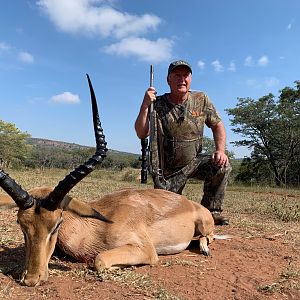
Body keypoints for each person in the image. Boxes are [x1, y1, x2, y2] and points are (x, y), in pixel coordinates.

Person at [135, 60, 231, 225]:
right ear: (168, 80)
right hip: (168, 173)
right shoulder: (156, 104)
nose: (182, 79)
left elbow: (218, 125)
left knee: (222, 165)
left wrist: (220, 150)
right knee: (165, 217)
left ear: (191, 79)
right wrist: (145, 105)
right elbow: (141, 132)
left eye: (185, 75)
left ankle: (212, 212)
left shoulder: (202, 99)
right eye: (177, 75)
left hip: (194, 162)